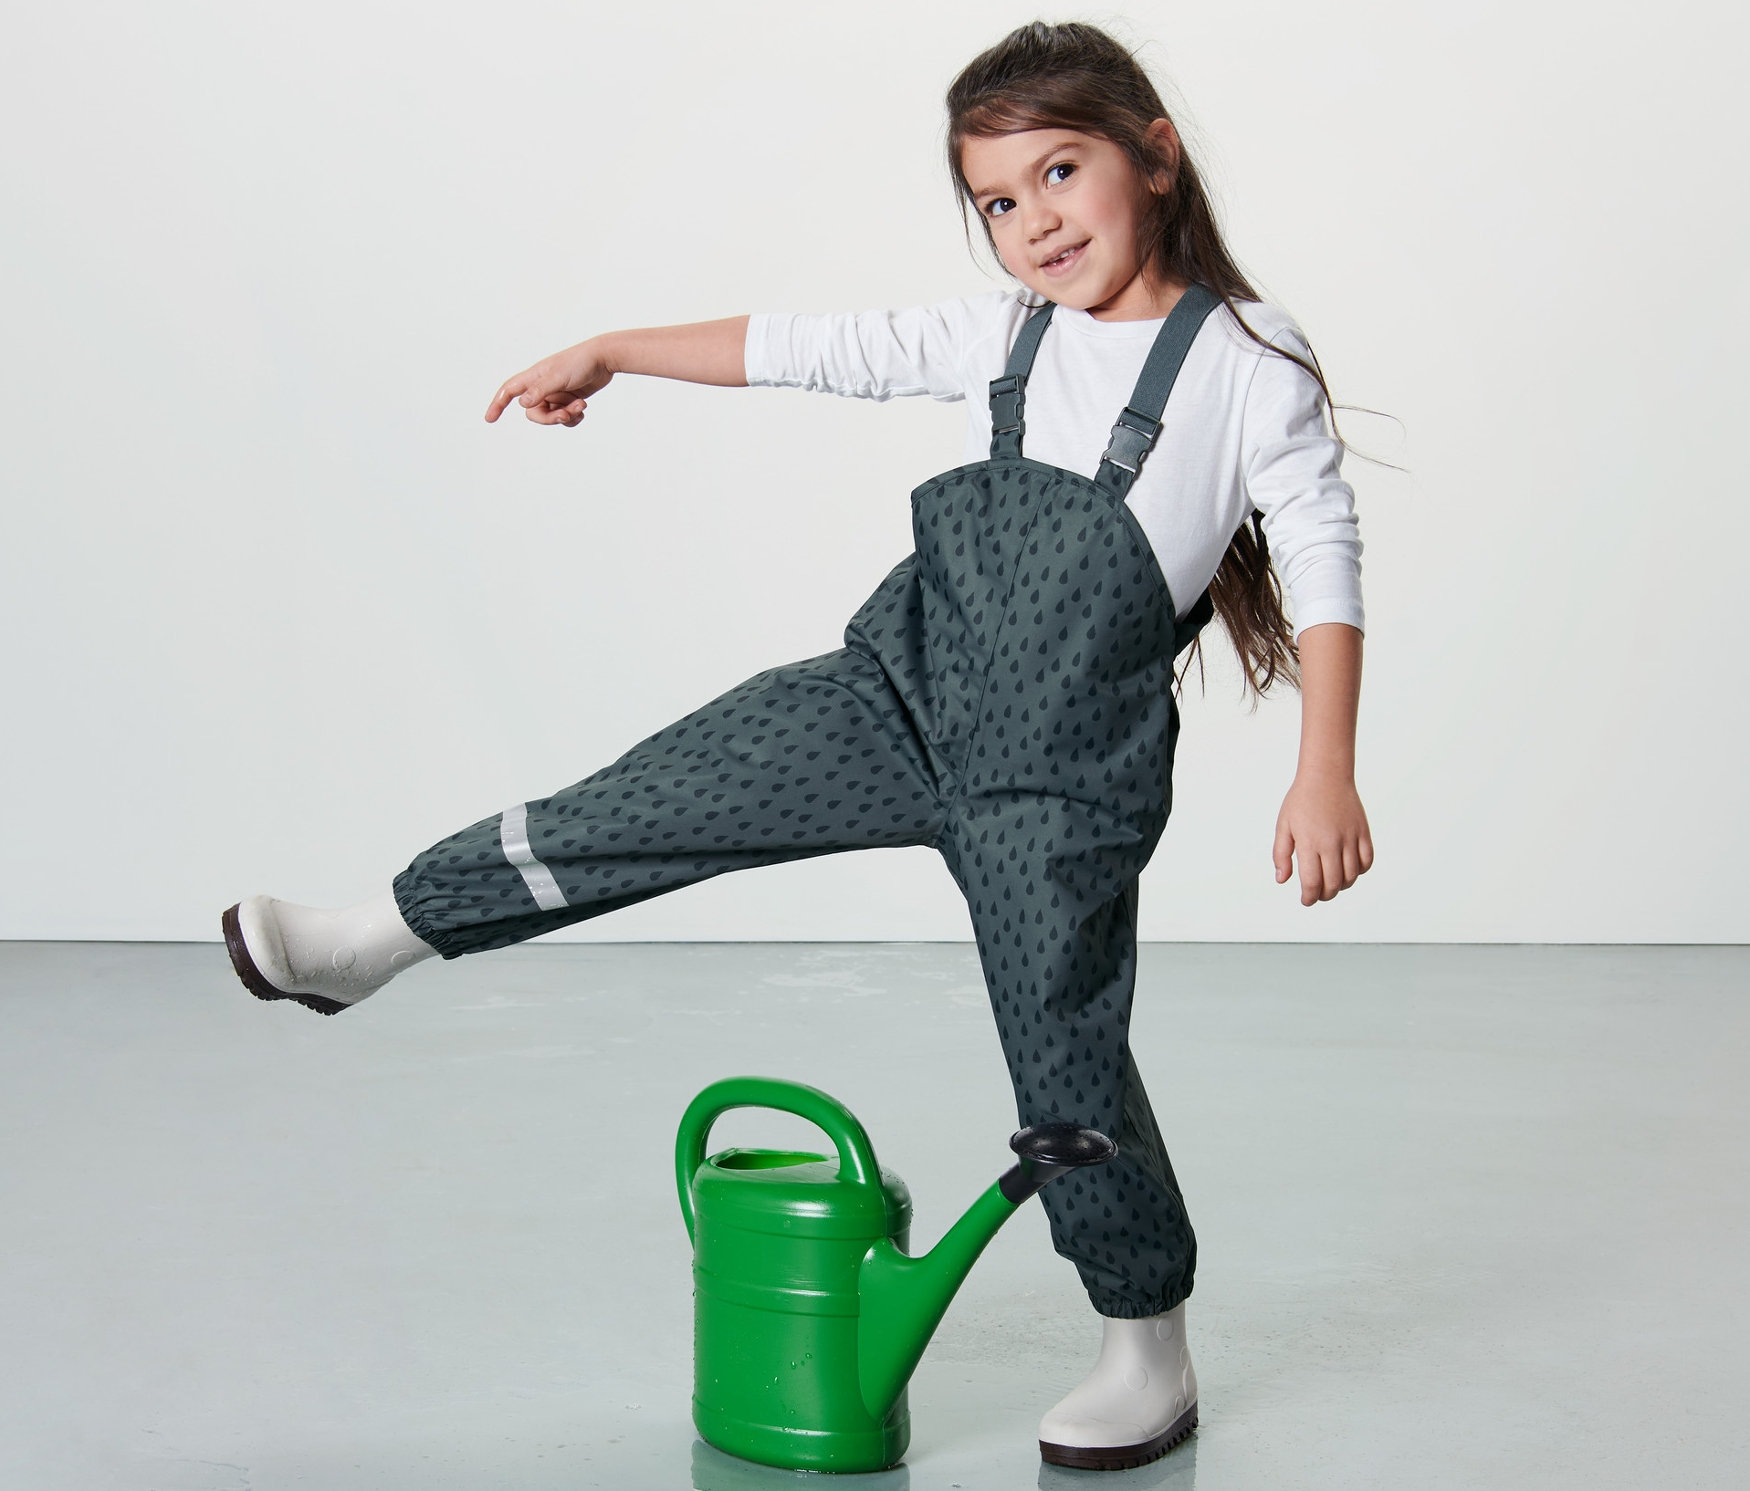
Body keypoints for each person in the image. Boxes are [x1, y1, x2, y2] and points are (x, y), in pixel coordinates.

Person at [222, 20, 1374, 1473]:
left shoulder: (1245, 361)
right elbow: (806, 349)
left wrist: (1320, 766)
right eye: (998, 203)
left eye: (1058, 172)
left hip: (1056, 779)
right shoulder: (997, 334)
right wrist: (615, 350)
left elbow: (1322, 554)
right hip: (894, 698)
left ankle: (1145, 1342)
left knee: (1061, 1053)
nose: (1032, 224)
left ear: (1152, 152)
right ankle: (377, 934)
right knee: (649, 799)